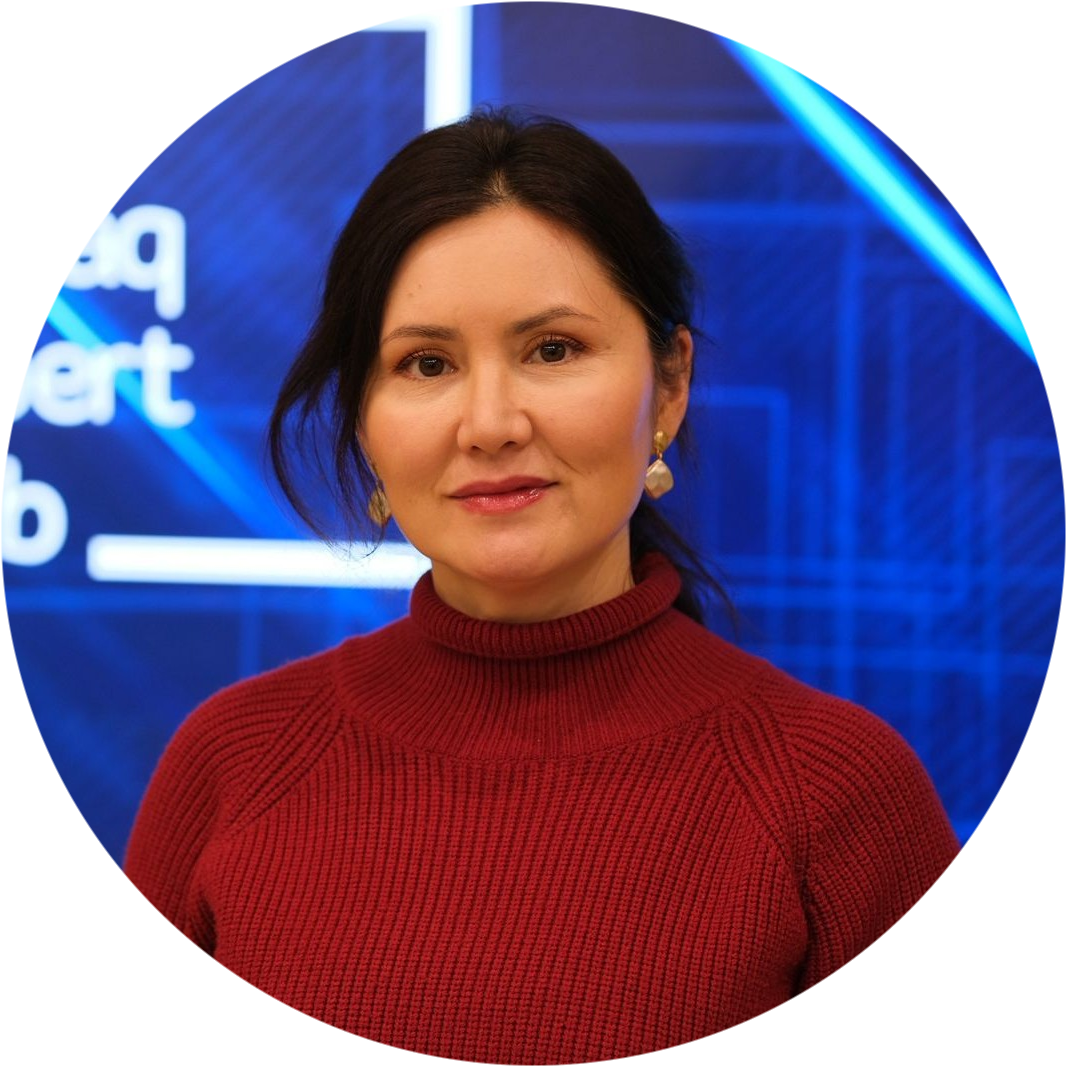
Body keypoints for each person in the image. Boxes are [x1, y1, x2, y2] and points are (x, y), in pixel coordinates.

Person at [75, 108, 1000, 1064]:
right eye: (426, 364)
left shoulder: (835, 796)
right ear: (362, 420)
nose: (490, 424)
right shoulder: (234, 764)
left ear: (669, 386)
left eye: (553, 350)